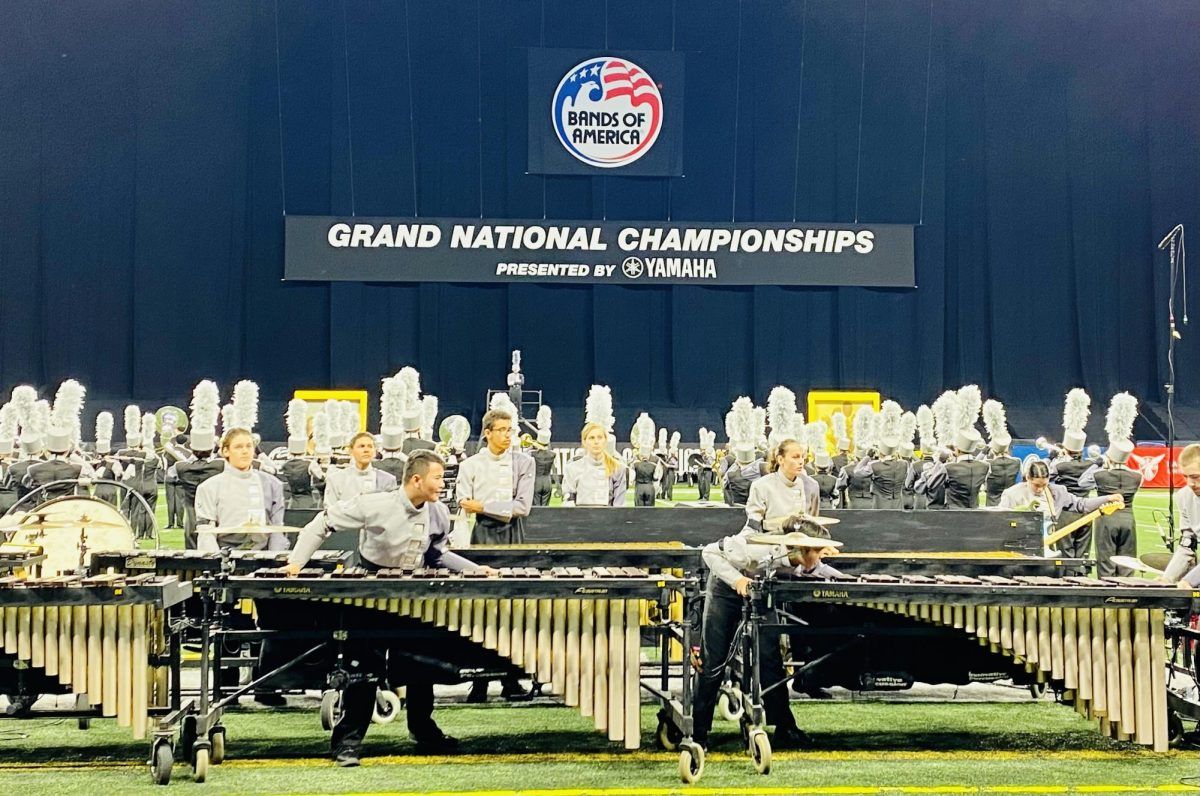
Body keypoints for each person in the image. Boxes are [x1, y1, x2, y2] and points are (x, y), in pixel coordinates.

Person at [285, 450, 490, 765]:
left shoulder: (437, 512)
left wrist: (475, 569)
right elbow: (321, 523)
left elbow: (436, 553)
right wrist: (296, 563)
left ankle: (423, 730)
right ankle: (347, 743)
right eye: (437, 477)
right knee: (363, 671)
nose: (442, 483)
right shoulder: (375, 504)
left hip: (415, 596)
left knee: (422, 667)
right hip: (370, 598)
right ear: (417, 479)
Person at [692, 439, 828, 751]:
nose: (801, 462)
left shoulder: (788, 550)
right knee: (714, 663)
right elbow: (711, 553)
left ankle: (784, 726)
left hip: (762, 586)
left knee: (769, 658)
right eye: (795, 457)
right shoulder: (752, 538)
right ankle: (698, 733)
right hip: (727, 586)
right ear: (779, 458)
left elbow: (798, 559)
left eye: (803, 457)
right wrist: (737, 579)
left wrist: (814, 557)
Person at [999, 459, 1123, 568]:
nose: (1040, 489)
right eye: (1036, 485)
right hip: (1017, 551)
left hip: (1046, 551)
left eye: (1044, 485)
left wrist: (1107, 499)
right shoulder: (1011, 494)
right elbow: (1000, 521)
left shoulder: (1057, 492)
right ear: (1027, 478)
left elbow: (1081, 504)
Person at [195, 428, 288, 552]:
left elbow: (277, 530)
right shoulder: (208, 487)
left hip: (263, 558)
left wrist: (275, 562)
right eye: (238, 447)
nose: (245, 451)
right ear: (225, 451)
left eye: (249, 446)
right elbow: (206, 534)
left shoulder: (272, 484)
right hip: (225, 558)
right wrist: (216, 564)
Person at [1079, 440, 1143, 577]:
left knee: (1106, 562)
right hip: (1128, 519)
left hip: (1106, 519)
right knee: (1127, 563)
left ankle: (1108, 595)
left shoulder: (1100, 475)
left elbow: (1082, 482)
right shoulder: (1138, 476)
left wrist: (1098, 463)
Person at [323, 432, 397, 507]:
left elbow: (391, 511)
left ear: (375, 452)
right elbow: (330, 511)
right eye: (361, 446)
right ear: (351, 451)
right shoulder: (335, 479)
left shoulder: (387, 480)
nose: (366, 450)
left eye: (370, 446)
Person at [561, 423, 626, 506]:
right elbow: (568, 502)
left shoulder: (618, 468)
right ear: (584, 442)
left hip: (608, 517)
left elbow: (619, 505)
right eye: (591, 438)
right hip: (580, 517)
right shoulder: (572, 468)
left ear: (605, 441)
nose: (596, 442)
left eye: (600, 437)